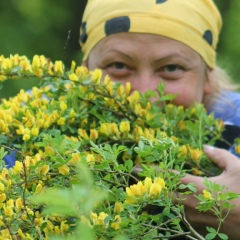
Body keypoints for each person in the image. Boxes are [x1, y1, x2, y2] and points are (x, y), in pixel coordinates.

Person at [79, 0, 240, 238]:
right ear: (83, 73)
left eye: (172, 68)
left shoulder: (233, 124)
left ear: (208, 79)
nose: (145, 96)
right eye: (119, 65)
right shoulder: (20, 130)